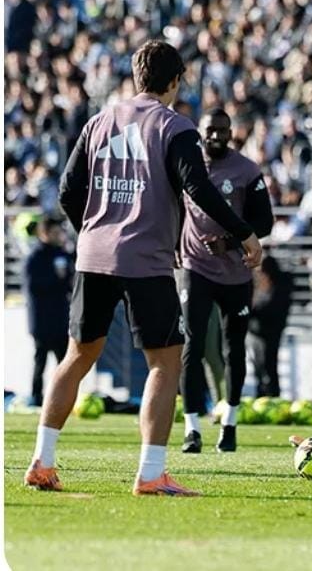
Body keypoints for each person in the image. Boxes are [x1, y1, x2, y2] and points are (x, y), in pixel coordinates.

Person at [25, 40, 262, 496]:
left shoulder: (99, 121)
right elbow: (200, 189)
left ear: (136, 77)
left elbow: (69, 191)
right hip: (146, 260)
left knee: (77, 357)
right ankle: (151, 472)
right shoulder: (175, 127)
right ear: (175, 81)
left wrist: (94, 232)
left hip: (94, 256)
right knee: (165, 361)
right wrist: (244, 232)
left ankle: (42, 461)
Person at [179, 108, 273, 454]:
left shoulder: (247, 170)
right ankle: (192, 428)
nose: (217, 136)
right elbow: (174, 207)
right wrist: (175, 243)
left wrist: (231, 242)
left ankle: (230, 423)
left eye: (223, 130)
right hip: (195, 267)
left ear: (233, 132)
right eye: (211, 130)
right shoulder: (187, 165)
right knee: (192, 344)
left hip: (235, 273)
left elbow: (264, 222)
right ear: (200, 131)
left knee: (234, 348)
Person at [22, 217, 74, 408]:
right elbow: (34, 287)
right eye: (54, 232)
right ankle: (37, 398)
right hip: (42, 320)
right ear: (44, 233)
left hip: (60, 318)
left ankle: (63, 398)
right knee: (40, 361)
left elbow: (69, 282)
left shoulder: (63, 253)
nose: (58, 236)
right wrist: (58, 279)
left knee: (64, 362)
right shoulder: (35, 257)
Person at [247, 256, 293, 397]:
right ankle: (262, 394)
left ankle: (272, 395)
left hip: (269, 331)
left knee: (269, 366)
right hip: (256, 331)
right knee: (258, 366)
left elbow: (267, 309)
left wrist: (252, 309)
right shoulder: (261, 286)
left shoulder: (280, 287)